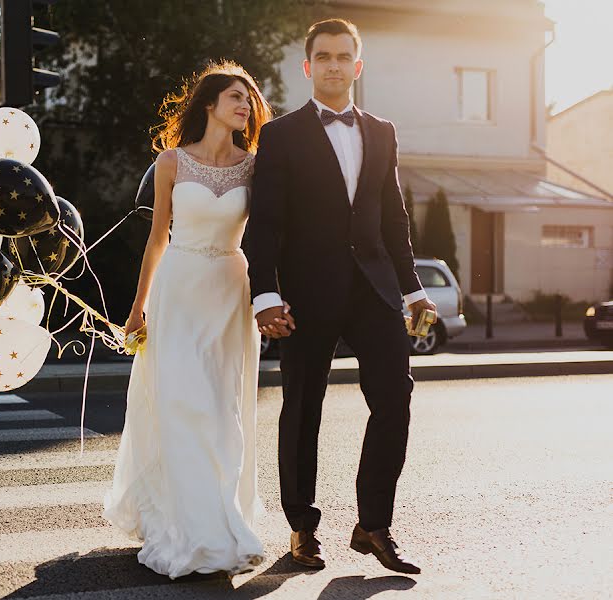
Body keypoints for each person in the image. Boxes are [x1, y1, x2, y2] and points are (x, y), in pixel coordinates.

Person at [247, 18, 435, 575]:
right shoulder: (279, 135)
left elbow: (393, 218)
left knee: (394, 399)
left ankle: (373, 525)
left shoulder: (382, 131)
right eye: (322, 56)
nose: (333, 64)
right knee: (303, 409)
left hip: (374, 290)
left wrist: (413, 288)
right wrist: (265, 295)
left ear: (358, 65)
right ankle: (302, 528)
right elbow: (266, 225)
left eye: (343, 55)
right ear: (308, 67)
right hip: (304, 294)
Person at [103, 61, 280, 579]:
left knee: (221, 409)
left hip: (229, 290)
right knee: (181, 402)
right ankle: (193, 529)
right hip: (177, 290)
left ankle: (223, 519)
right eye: (234, 97)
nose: (245, 105)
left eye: (249, 98)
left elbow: (270, 236)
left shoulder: (255, 166)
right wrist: (138, 306)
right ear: (209, 104)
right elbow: (157, 238)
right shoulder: (171, 162)